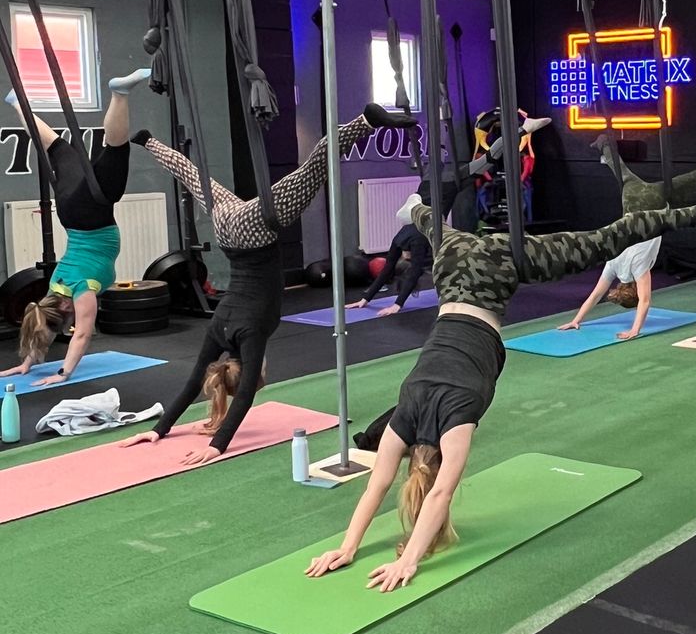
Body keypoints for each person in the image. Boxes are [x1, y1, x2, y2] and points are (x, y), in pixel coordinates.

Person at [306, 189, 696, 591]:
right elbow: (379, 485)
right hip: (453, 263)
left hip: (501, 270)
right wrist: (347, 547)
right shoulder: (401, 418)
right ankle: (416, 207)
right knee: (582, 239)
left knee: (601, 243)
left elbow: (439, 493)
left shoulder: (458, 423)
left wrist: (409, 559)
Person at [117, 107, 408, 465]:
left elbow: (242, 400)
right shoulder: (219, 329)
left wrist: (217, 445)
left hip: (255, 229)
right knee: (195, 179)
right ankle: (149, 142)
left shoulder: (253, 334)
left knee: (314, 169)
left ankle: (364, 122)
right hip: (226, 228)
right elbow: (193, 382)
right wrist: (159, 429)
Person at [2, 70, 149, 388]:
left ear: (66, 307)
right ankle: (18, 104)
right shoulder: (55, 286)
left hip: (93, 211)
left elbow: (82, 333)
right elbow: (44, 323)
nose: (70, 321)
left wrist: (63, 373)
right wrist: (27, 363)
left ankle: (119, 93)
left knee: (116, 153)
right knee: (58, 148)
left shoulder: (82, 292)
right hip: (69, 211)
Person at [559, 126, 696, 340]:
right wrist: (576, 319)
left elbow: (645, 301)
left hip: (654, 205)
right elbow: (596, 295)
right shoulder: (613, 263)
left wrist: (635, 330)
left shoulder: (638, 268)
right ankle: (604, 142)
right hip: (632, 198)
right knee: (620, 170)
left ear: (632, 289)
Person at [350, 219, 432, 315]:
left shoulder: (416, 243)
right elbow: (387, 269)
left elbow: (414, 273)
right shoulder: (399, 240)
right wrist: (365, 299)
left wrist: (397, 305)